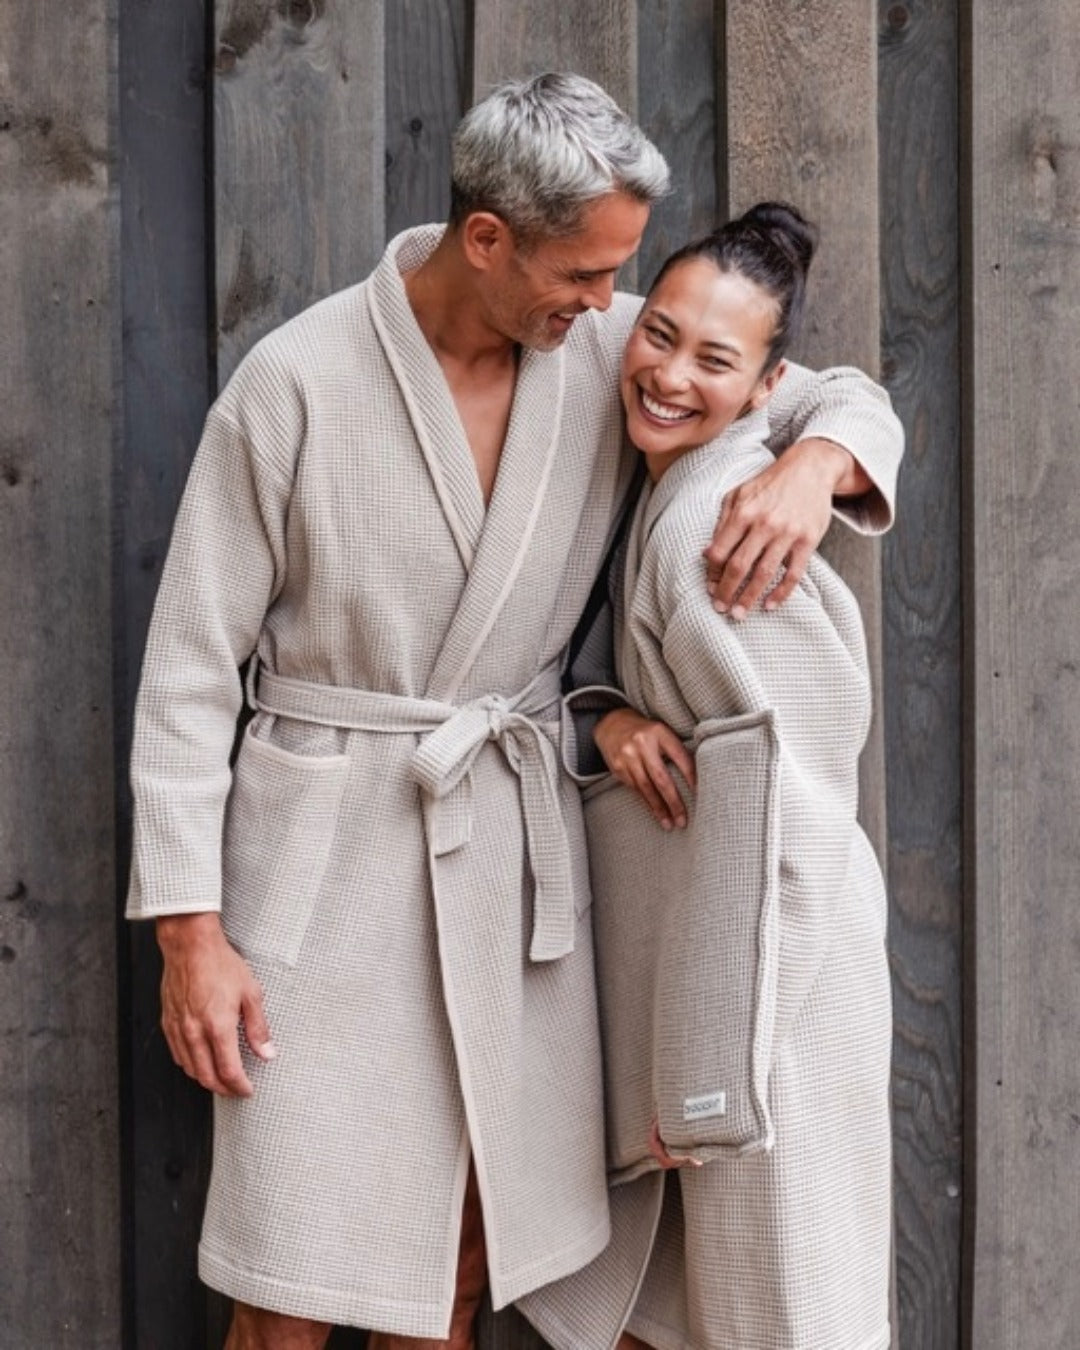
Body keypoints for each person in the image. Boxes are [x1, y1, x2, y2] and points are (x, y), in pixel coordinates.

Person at [125, 73, 901, 1350]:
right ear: (488, 239)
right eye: (590, 276)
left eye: (623, 281)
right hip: (318, 879)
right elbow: (189, 672)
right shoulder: (297, 381)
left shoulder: (607, 356)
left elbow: (819, 387)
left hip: (506, 874)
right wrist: (189, 938)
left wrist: (820, 466)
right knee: (290, 1278)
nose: (614, 307)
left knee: (462, 1265)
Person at [520, 205, 892, 1350]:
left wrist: (713, 1066)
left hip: (775, 984)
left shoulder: (723, 534)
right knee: (681, 1311)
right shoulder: (662, 459)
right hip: (715, 982)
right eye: (660, 334)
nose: (671, 373)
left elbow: (791, 802)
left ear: (765, 384)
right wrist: (610, 718)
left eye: (714, 361)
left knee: (783, 1307)